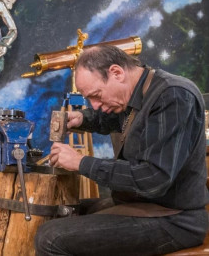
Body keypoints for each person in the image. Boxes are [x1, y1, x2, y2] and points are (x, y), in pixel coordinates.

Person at [35, 45, 208, 255]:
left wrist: (81, 163)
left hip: (175, 220)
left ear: (116, 73)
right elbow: (116, 118)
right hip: (141, 206)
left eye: (97, 95)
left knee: (51, 238)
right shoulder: (136, 95)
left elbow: (153, 179)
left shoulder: (173, 95)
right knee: (62, 211)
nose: (95, 105)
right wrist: (83, 118)